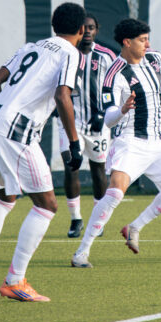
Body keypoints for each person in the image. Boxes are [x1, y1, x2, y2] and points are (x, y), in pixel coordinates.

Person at [0, 2, 86, 302]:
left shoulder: (32, 45)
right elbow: (62, 95)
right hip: (16, 130)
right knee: (47, 205)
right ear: (81, 31)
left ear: (55, 25)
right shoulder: (71, 53)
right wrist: (74, 142)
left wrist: (4, 109)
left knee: (5, 197)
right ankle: (15, 280)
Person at [70, 18, 161, 269]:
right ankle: (81, 252)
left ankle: (135, 226)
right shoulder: (113, 75)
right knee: (116, 191)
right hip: (130, 141)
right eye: (142, 40)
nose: (147, 44)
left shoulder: (155, 58)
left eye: (147, 39)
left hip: (160, 141)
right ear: (127, 42)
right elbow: (107, 120)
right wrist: (122, 109)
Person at [54, 14, 116, 238]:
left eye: (92, 28)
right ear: (79, 30)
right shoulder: (67, 54)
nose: (88, 31)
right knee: (71, 166)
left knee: (99, 169)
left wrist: (104, 113)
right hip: (70, 121)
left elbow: (116, 88)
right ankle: (76, 219)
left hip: (98, 124)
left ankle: (97, 220)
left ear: (96, 30)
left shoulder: (107, 56)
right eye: (85, 28)